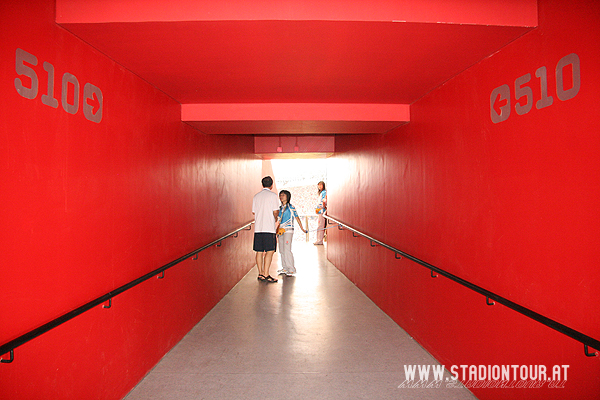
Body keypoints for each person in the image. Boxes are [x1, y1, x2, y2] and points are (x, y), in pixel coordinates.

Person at [252, 176, 280, 283]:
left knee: (259, 251)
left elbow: (254, 211)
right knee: (270, 251)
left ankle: (260, 273)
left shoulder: (256, 196)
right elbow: (275, 211)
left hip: (258, 228)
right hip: (269, 228)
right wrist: (275, 218)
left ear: (262, 184)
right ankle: (266, 274)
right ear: (271, 185)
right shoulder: (273, 196)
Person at [276, 190, 306, 276]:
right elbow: (278, 220)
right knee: (281, 250)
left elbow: (297, 218)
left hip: (288, 230)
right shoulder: (280, 208)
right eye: (280, 195)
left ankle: (291, 268)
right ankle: (285, 267)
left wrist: (302, 229)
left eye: (283, 195)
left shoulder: (291, 207)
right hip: (280, 231)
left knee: (287, 249)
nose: (281, 197)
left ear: (288, 196)